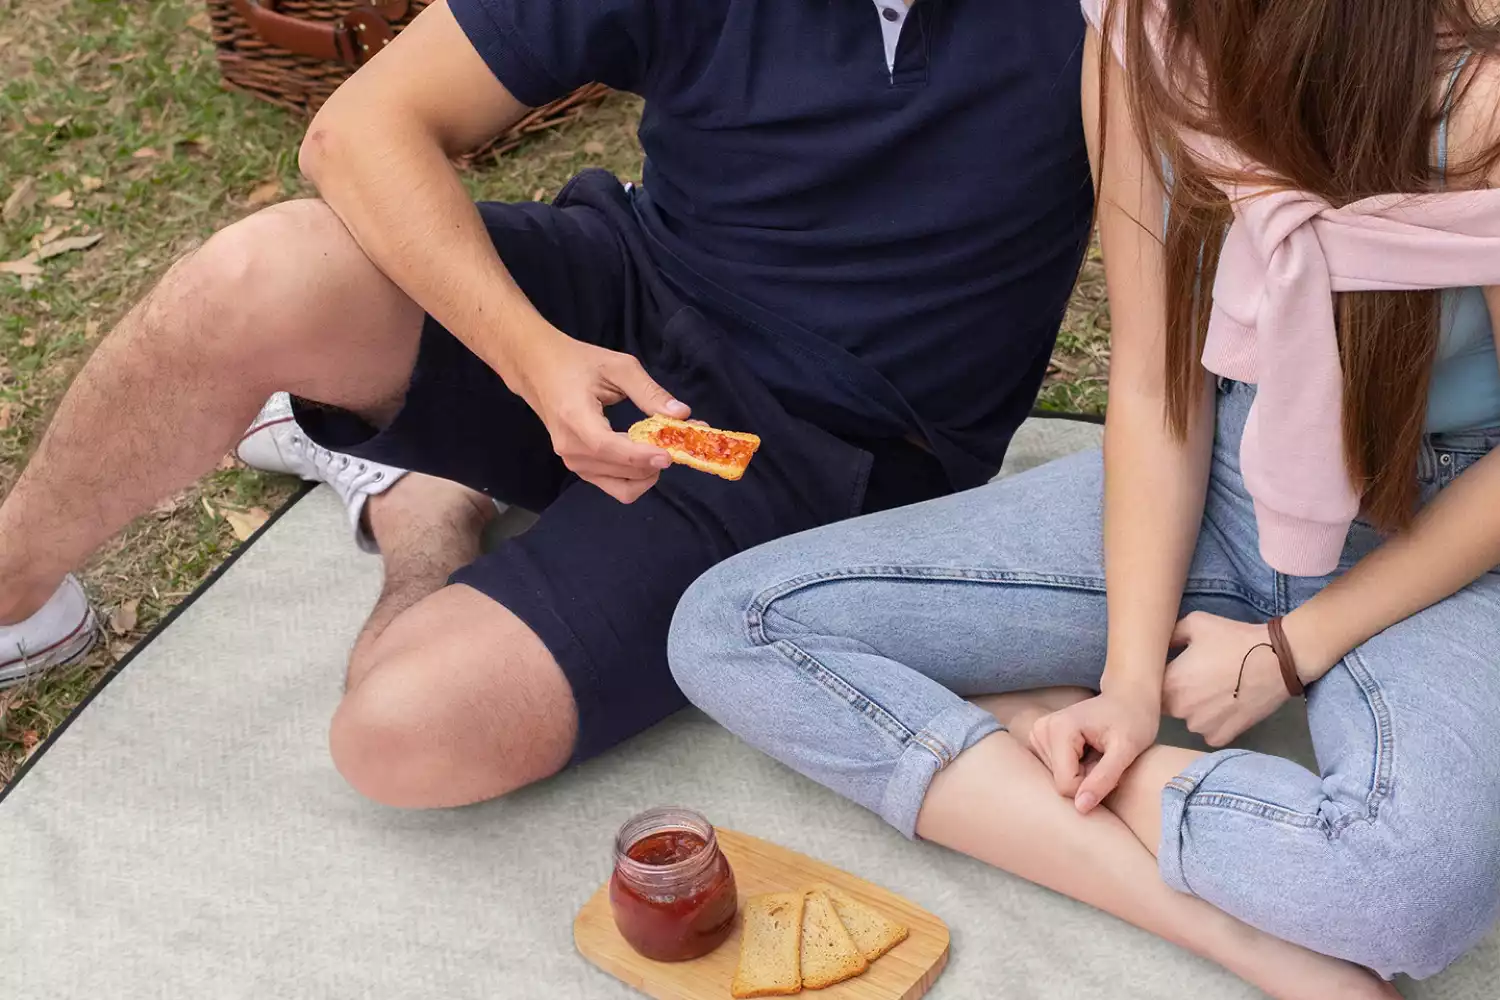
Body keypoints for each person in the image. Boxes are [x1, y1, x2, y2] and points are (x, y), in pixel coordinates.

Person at [0, 1, 1093, 805]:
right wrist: (534, 357)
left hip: (813, 448)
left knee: (399, 728)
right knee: (259, 275)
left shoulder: (1127, 23)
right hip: (626, 297)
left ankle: (426, 503)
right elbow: (358, 128)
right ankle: (15, 592)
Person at [669, 1, 1500, 996]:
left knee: (1400, 894)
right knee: (734, 626)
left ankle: (1053, 761)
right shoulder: (1145, 31)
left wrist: (1290, 649)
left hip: (1453, 529)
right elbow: (1155, 387)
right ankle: (1230, 926)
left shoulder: (1479, 80)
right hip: (1236, 471)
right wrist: (1128, 687)